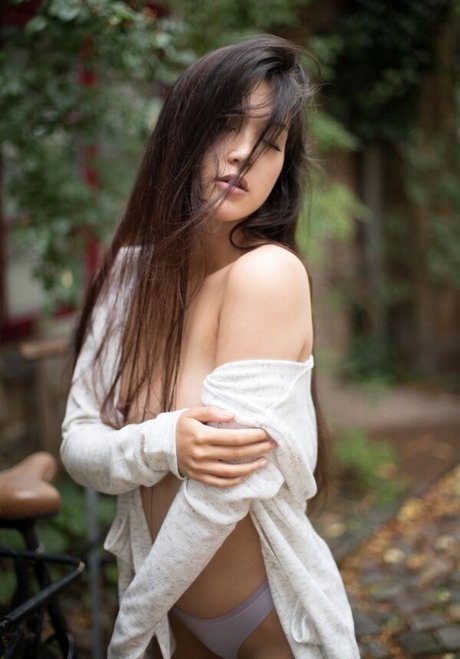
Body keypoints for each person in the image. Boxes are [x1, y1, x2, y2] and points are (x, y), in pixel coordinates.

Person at [61, 35, 359, 659]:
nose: (244, 154)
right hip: (174, 628)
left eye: (270, 142)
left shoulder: (267, 275)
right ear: (183, 132)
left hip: (262, 617)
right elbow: (78, 445)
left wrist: (129, 630)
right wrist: (166, 442)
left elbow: (221, 495)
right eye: (228, 125)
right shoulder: (125, 279)